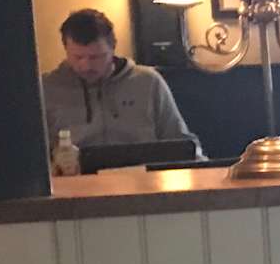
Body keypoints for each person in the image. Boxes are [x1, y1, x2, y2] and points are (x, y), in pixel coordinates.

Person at [40, 9, 198, 157]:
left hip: (142, 173)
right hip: (74, 174)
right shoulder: (47, 88)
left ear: (113, 47)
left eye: (96, 57)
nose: (86, 66)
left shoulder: (148, 82)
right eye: (78, 57)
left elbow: (181, 142)